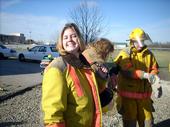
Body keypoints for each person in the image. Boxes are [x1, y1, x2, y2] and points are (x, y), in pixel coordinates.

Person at [41, 23, 111, 127]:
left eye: (74, 36)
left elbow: (92, 94)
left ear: (80, 39)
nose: (69, 39)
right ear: (61, 42)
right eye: (65, 37)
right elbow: (53, 114)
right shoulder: (58, 68)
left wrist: (101, 77)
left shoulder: (85, 65)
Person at [114, 28, 160, 127]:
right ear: (132, 41)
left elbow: (154, 68)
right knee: (130, 122)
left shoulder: (149, 54)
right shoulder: (125, 53)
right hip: (128, 99)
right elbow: (128, 71)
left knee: (148, 122)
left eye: (142, 41)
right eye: (137, 42)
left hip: (145, 98)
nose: (140, 44)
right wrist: (145, 75)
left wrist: (154, 78)